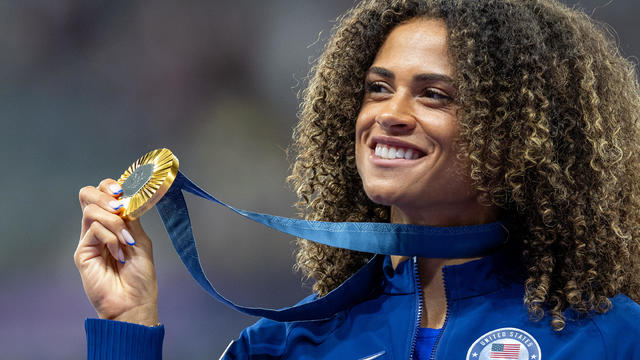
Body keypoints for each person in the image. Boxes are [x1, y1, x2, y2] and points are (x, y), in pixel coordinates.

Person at [75, 0, 640, 358]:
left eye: (435, 95)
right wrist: (129, 325)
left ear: (523, 135)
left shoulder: (613, 338)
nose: (388, 114)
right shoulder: (285, 347)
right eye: (377, 87)